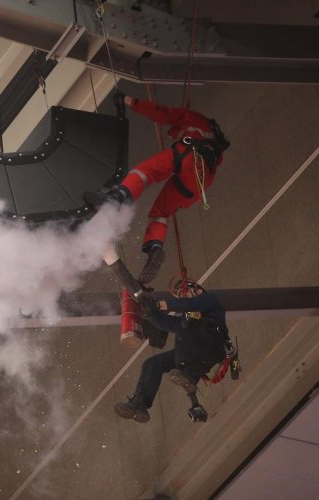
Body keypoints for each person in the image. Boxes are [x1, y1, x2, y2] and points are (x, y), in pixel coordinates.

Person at [85, 95, 229, 284]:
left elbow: (162, 113)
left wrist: (129, 101)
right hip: (201, 181)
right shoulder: (214, 145)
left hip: (188, 155)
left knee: (144, 173)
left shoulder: (191, 117)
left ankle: (115, 198)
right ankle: (154, 247)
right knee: (160, 213)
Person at [113, 281, 232, 424]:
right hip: (193, 355)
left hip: (211, 343)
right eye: (180, 295)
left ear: (198, 291)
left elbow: (189, 306)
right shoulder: (186, 319)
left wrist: (158, 305)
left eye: (184, 293)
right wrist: (149, 313)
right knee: (152, 364)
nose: (182, 297)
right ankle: (140, 402)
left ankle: (188, 374)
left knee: (186, 325)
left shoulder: (210, 300)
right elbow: (167, 323)